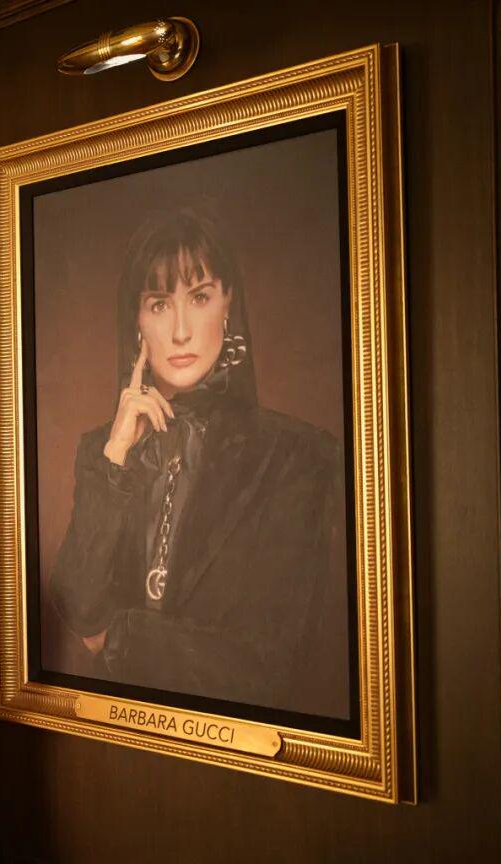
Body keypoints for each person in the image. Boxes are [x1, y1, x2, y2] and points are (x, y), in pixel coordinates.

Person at [48, 208, 350, 719]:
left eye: (200, 297)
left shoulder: (298, 457)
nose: (181, 330)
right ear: (137, 322)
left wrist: (121, 638)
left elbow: (270, 666)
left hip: (237, 747)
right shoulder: (103, 452)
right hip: (118, 737)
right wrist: (116, 460)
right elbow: (77, 608)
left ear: (228, 305)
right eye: (159, 304)